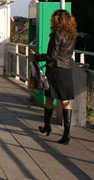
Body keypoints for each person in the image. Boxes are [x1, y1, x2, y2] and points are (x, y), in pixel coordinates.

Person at [30, 10, 77, 145]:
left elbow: (51, 56)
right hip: (66, 70)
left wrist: (37, 56)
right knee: (65, 101)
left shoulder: (56, 35)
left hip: (55, 70)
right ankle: (66, 134)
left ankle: (47, 125)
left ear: (57, 21)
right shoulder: (72, 35)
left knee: (49, 97)